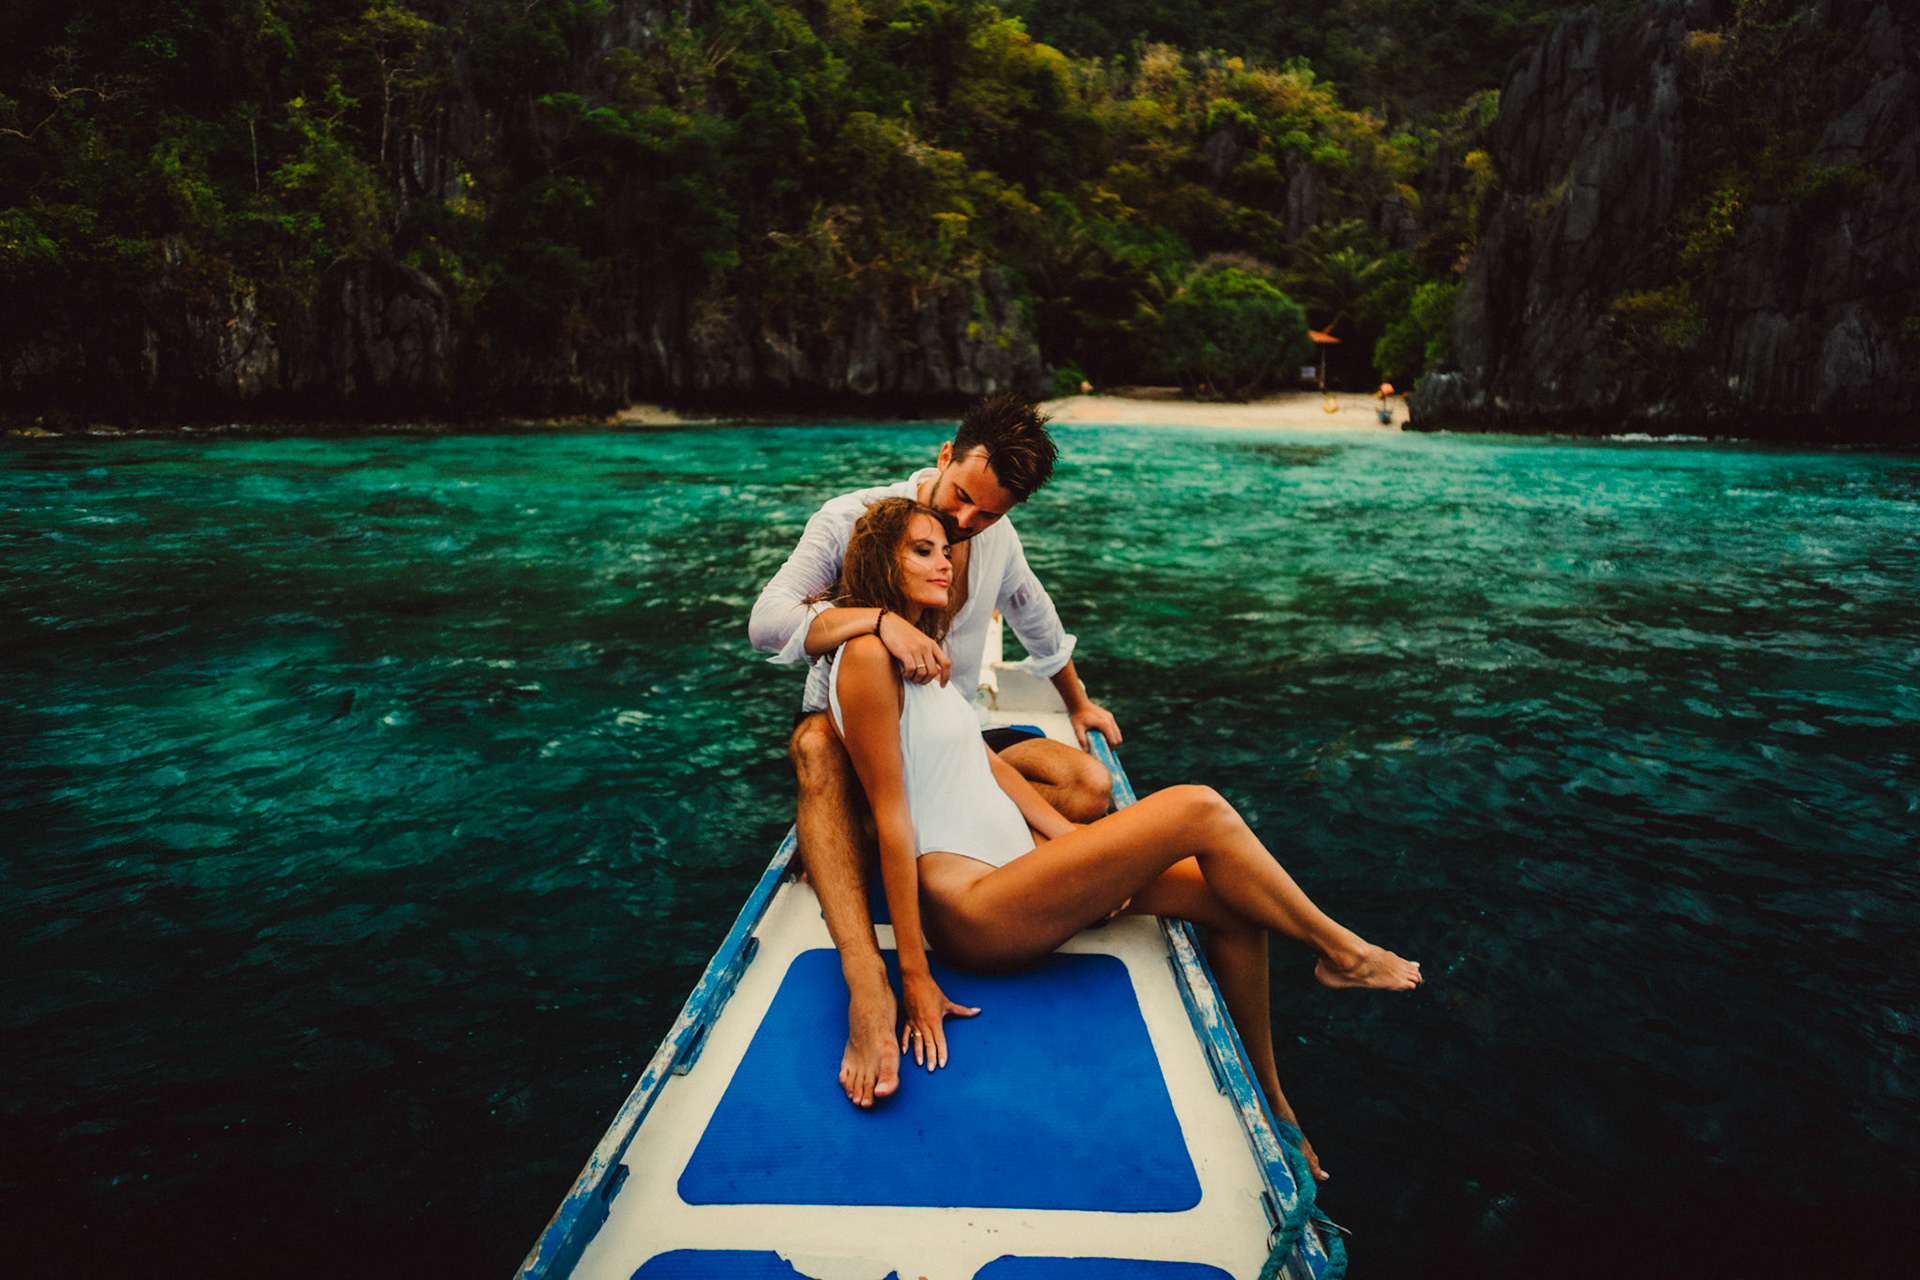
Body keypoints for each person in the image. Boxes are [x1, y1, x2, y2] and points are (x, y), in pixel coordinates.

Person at [825, 496, 1422, 1181]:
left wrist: (1068, 843)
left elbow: (983, 766)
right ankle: (1338, 950)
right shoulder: (866, 658)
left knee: (1232, 902)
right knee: (1197, 808)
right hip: (975, 909)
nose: (944, 562)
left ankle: (1274, 1107)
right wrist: (913, 973)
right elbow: (894, 822)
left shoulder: (917, 658)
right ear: (880, 563)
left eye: (942, 548)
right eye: (921, 551)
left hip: (1018, 872)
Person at [748, 393, 1122, 1111]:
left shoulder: (995, 538)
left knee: (1087, 787)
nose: (967, 525)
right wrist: (882, 621)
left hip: (955, 732)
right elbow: (769, 624)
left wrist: (1076, 703)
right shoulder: (855, 518)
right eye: (963, 502)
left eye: (990, 515)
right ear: (945, 456)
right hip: (864, 732)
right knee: (818, 747)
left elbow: (1035, 616)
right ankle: (866, 980)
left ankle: (902, 848)